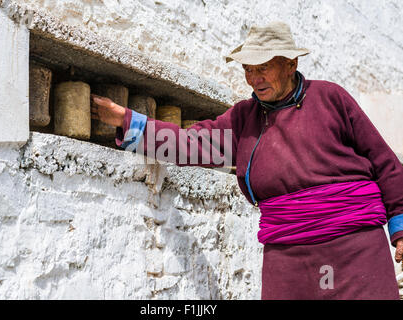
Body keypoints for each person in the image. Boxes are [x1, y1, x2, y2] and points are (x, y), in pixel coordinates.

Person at [90, 22, 403, 299]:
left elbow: (385, 163)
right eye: (248, 70)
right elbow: (191, 145)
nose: (254, 78)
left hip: (355, 246)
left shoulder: (329, 98)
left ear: (291, 63)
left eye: (263, 67)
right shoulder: (244, 119)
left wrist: (401, 228)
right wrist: (128, 122)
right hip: (288, 253)